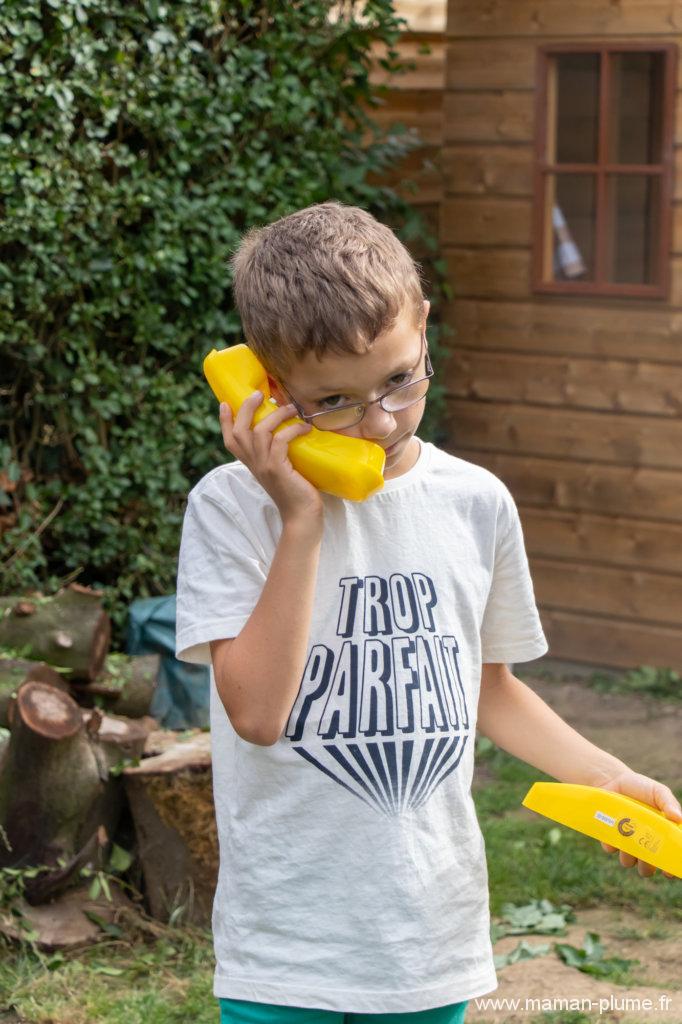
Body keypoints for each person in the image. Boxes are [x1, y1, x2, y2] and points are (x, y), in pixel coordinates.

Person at [175, 202, 682, 1024]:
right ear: (263, 387)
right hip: (288, 949)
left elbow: (486, 686)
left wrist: (609, 779)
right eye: (332, 400)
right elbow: (259, 714)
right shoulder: (232, 510)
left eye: (400, 379)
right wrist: (301, 521)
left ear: (424, 327)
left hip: (427, 940)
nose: (378, 423)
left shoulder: (475, 504)